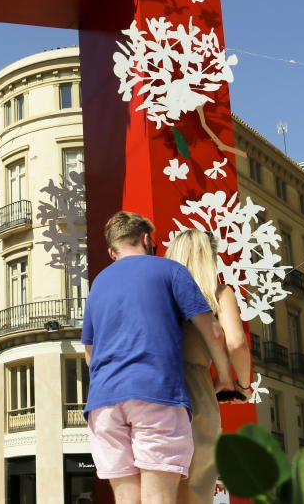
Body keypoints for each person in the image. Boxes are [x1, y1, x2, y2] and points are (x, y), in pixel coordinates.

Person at [81, 212, 234, 504]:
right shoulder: (170, 271)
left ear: (112, 251)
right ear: (147, 239)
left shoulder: (98, 284)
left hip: (103, 404)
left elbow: (89, 351)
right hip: (155, 395)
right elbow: (213, 331)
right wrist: (226, 379)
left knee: (127, 500)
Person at [166, 229, 252, 504]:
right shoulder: (217, 292)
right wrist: (242, 385)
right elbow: (236, 343)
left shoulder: (162, 291)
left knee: (161, 485)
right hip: (196, 387)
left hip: (155, 386)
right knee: (198, 484)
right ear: (210, 257)